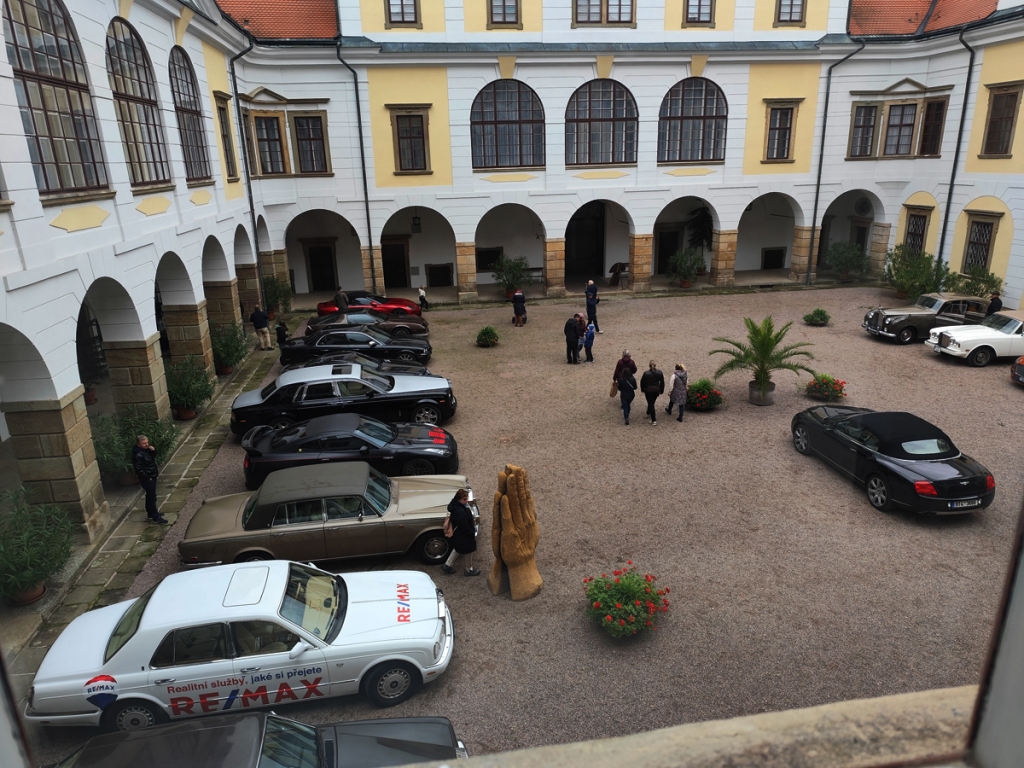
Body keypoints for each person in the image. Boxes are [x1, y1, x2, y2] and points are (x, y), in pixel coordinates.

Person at [441, 489, 479, 576]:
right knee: (469, 550)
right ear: (459, 499)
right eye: (464, 499)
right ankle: (468, 569)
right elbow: (464, 525)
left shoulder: (455, 506)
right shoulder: (460, 511)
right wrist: (471, 532)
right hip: (464, 534)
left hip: (458, 533)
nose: (466, 501)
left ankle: (447, 565)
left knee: (457, 549)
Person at [132, 435, 167, 524]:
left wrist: (153, 450)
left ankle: (151, 513)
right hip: (148, 478)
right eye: (144, 443)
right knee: (152, 497)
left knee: (150, 496)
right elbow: (139, 469)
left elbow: (152, 457)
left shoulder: (145, 450)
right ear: (139, 444)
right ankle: (156, 517)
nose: (146, 444)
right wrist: (148, 477)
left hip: (152, 475)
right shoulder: (138, 454)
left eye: (147, 442)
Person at [640, 360, 665, 426]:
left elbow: (642, 382)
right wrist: (661, 390)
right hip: (656, 390)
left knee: (651, 404)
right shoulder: (660, 373)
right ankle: (648, 412)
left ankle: (653, 420)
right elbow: (662, 382)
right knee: (651, 402)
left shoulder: (646, 373)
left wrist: (642, 389)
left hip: (648, 390)